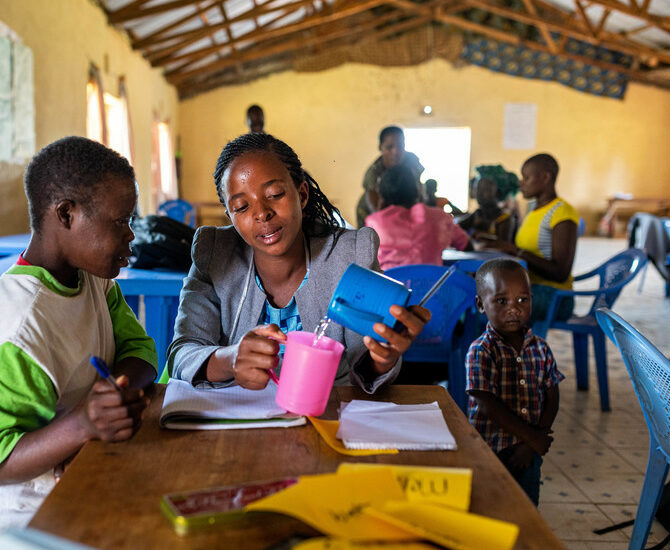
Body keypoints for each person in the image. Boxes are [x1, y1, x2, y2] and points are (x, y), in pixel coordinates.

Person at [0, 137, 157, 548]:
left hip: (72, 497)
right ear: (66, 214)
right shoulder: (15, 327)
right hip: (7, 530)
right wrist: (83, 424)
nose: (132, 236)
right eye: (120, 221)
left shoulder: (93, 280)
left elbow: (141, 351)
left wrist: (113, 391)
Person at [167, 133, 430, 392]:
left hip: (324, 414)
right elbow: (183, 352)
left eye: (274, 194)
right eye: (242, 207)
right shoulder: (214, 253)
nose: (261, 213)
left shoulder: (349, 254)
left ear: (302, 194)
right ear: (230, 217)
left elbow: (364, 362)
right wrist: (231, 359)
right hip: (239, 422)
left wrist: (382, 359)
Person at [466, 259, 563, 506]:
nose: (514, 309)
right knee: (489, 506)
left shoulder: (540, 348)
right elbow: (487, 403)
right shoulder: (481, 350)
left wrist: (535, 440)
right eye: (501, 301)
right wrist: (532, 437)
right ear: (480, 304)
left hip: (528, 452)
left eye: (523, 300)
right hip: (489, 449)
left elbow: (552, 395)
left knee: (527, 506)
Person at [486, 154, 578, 323]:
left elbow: (561, 273)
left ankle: (495, 350)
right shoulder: (534, 211)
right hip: (529, 289)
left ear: (545, 177)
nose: (521, 183)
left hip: (554, 296)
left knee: (488, 307)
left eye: (526, 177)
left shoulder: (562, 212)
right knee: (476, 297)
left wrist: (517, 251)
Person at [365, 165, 470, 270]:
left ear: (382, 193)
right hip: (433, 285)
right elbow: (466, 245)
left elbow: (366, 263)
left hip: (389, 285)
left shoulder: (375, 222)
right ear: (418, 191)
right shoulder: (440, 217)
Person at [355, 126, 424, 228]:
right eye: (389, 147)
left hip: (406, 207)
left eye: (400, 146)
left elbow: (419, 193)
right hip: (379, 214)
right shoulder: (374, 172)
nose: (395, 152)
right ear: (380, 147)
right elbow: (375, 207)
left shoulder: (412, 162)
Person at [457, 165, 520, 243]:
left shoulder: (505, 219)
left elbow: (504, 245)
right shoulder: (478, 214)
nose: (479, 193)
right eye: (477, 189)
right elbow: (456, 228)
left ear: (499, 193)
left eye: (486, 190)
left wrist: (483, 236)